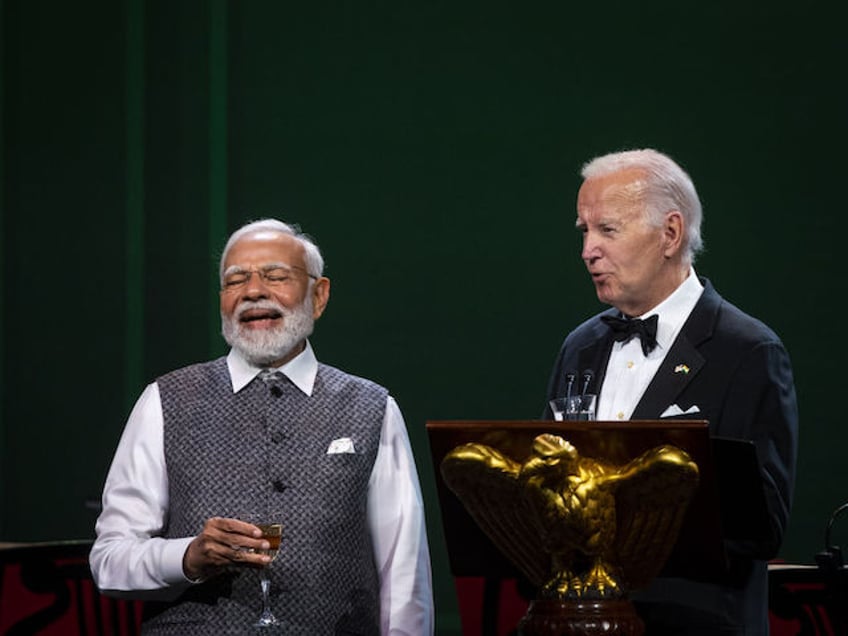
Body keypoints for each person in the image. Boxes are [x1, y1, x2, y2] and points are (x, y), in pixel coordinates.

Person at [90, 219, 434, 635]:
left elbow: (404, 576)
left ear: (319, 295)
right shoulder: (165, 400)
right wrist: (188, 557)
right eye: (236, 280)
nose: (253, 291)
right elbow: (109, 562)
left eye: (276, 276)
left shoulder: (372, 406)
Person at [542, 149, 798, 634]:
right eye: (584, 231)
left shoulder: (747, 351)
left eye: (607, 230)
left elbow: (758, 528)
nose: (588, 250)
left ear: (671, 233)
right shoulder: (580, 347)